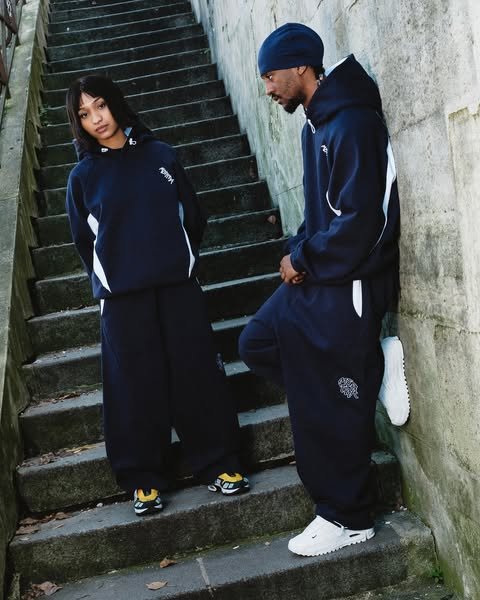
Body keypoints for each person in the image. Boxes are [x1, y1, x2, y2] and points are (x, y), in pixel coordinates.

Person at [239, 23, 409, 556]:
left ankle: (348, 517)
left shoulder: (351, 122)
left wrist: (305, 258)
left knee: (329, 399)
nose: (268, 89)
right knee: (258, 342)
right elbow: (322, 214)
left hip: (354, 281)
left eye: (271, 76)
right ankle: (366, 370)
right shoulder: (314, 125)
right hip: (324, 276)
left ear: (301, 67)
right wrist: (297, 249)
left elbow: (364, 222)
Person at [65, 74, 249, 516]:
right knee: (133, 387)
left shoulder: (161, 155)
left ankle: (219, 463)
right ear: (79, 123)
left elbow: (193, 217)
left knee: (196, 374)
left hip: (177, 288)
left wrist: (177, 263)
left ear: (116, 103)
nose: (97, 119)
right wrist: (114, 281)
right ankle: (142, 479)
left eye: (101, 106)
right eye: (85, 114)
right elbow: (84, 243)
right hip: (123, 300)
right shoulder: (82, 177)